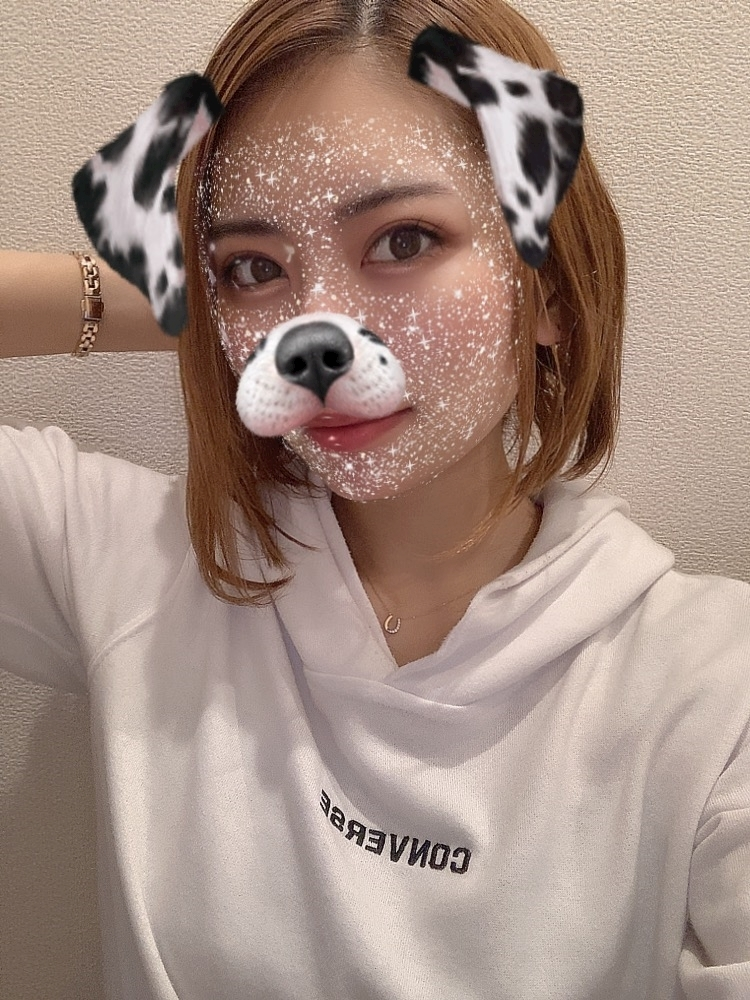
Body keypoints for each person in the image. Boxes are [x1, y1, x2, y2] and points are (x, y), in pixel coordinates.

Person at [1, 0, 748, 998]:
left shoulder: (713, 690)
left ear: (551, 294)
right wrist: (168, 300)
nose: (314, 330)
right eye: (255, 266)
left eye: (402, 241)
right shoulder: (124, 559)